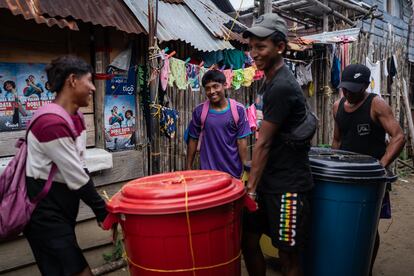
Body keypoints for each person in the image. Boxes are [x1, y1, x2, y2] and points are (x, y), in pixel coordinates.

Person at [242, 13, 314, 276]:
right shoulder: (268, 81)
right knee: (248, 240)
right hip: (266, 181)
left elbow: (263, 144)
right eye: (251, 47)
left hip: (287, 188)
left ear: (280, 47)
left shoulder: (282, 85)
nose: (253, 53)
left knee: (288, 257)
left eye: (260, 47)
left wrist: (250, 191)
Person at [24, 55, 108, 276]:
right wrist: (102, 211)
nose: (93, 88)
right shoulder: (50, 124)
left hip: (63, 211)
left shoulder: (76, 117)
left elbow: (79, 164)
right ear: (72, 80)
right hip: (44, 215)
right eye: (89, 81)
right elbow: (77, 176)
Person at [332, 64, 405, 276]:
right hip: (346, 177)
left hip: (372, 180)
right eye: (345, 89)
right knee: (343, 222)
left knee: (368, 227)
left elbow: (398, 136)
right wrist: (335, 167)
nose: (348, 93)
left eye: (353, 89)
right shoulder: (338, 106)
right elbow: (337, 139)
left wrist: (379, 167)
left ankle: (366, 270)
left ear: (365, 86)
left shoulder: (377, 105)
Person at [186, 69, 251, 178]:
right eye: (207, 88)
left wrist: (245, 167)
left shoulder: (238, 110)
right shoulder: (199, 111)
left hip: (233, 172)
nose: (211, 91)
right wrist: (188, 167)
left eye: (215, 86)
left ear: (225, 85)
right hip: (208, 174)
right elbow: (193, 139)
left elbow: (241, 141)